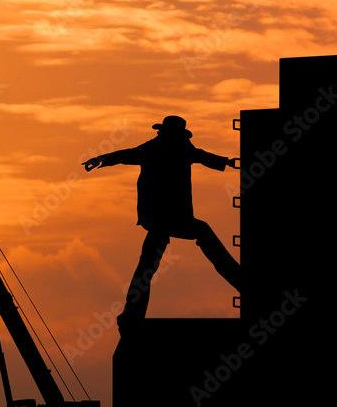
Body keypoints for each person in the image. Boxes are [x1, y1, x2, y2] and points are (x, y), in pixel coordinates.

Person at [82, 115, 241, 331]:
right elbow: (125, 155)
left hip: (168, 217)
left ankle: (132, 313)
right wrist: (102, 158)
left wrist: (227, 162)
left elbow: (201, 156)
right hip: (164, 217)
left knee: (149, 263)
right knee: (153, 261)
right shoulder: (162, 148)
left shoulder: (173, 148)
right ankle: (132, 313)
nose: (159, 135)